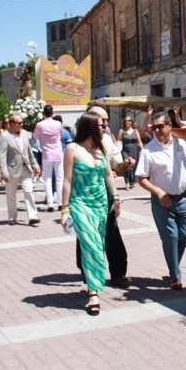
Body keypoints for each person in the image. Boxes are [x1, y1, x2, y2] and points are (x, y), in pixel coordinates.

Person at [60, 112, 122, 315]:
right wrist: (64, 209)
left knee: (97, 246)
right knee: (92, 245)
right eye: (100, 125)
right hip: (80, 204)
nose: (104, 127)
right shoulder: (72, 149)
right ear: (89, 127)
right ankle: (93, 293)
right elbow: (67, 181)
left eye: (104, 125)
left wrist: (116, 198)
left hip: (100, 204)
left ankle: (91, 286)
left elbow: (108, 175)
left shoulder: (101, 149)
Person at [136, 111, 186, 290]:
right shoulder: (149, 150)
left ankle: (173, 264)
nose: (156, 130)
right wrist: (157, 191)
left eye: (159, 126)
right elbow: (141, 178)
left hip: (184, 197)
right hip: (162, 201)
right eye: (153, 127)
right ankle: (175, 276)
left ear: (169, 126)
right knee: (170, 238)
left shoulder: (181, 143)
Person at [75, 106, 134, 288]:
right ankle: (88, 275)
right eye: (102, 121)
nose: (106, 124)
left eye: (106, 120)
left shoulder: (107, 140)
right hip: (85, 199)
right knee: (86, 236)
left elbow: (115, 168)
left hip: (105, 195)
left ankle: (117, 274)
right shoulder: (77, 145)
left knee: (112, 233)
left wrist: (125, 165)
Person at [0, 114, 41, 225]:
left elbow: (29, 151)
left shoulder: (25, 134)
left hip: (25, 168)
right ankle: (12, 217)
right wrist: (4, 172)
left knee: (29, 191)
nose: (22, 124)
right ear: (12, 124)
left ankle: (32, 216)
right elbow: (1, 155)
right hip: (12, 169)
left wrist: (35, 165)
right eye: (19, 123)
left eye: (22, 122)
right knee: (11, 195)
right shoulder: (5, 136)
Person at [33, 105, 64, 212]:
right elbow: (61, 134)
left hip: (46, 153)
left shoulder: (39, 124)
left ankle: (50, 205)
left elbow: (35, 136)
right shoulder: (58, 123)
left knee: (47, 179)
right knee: (60, 179)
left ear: (43, 113)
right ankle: (60, 203)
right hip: (58, 153)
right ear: (52, 113)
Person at [117, 116, 142, 190]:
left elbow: (139, 141)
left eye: (129, 121)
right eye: (126, 121)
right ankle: (127, 183)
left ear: (131, 122)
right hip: (125, 150)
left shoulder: (135, 131)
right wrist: (118, 151)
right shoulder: (122, 131)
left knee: (133, 166)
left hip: (134, 149)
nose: (127, 122)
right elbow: (119, 141)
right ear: (124, 123)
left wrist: (142, 150)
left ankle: (132, 182)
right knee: (127, 166)